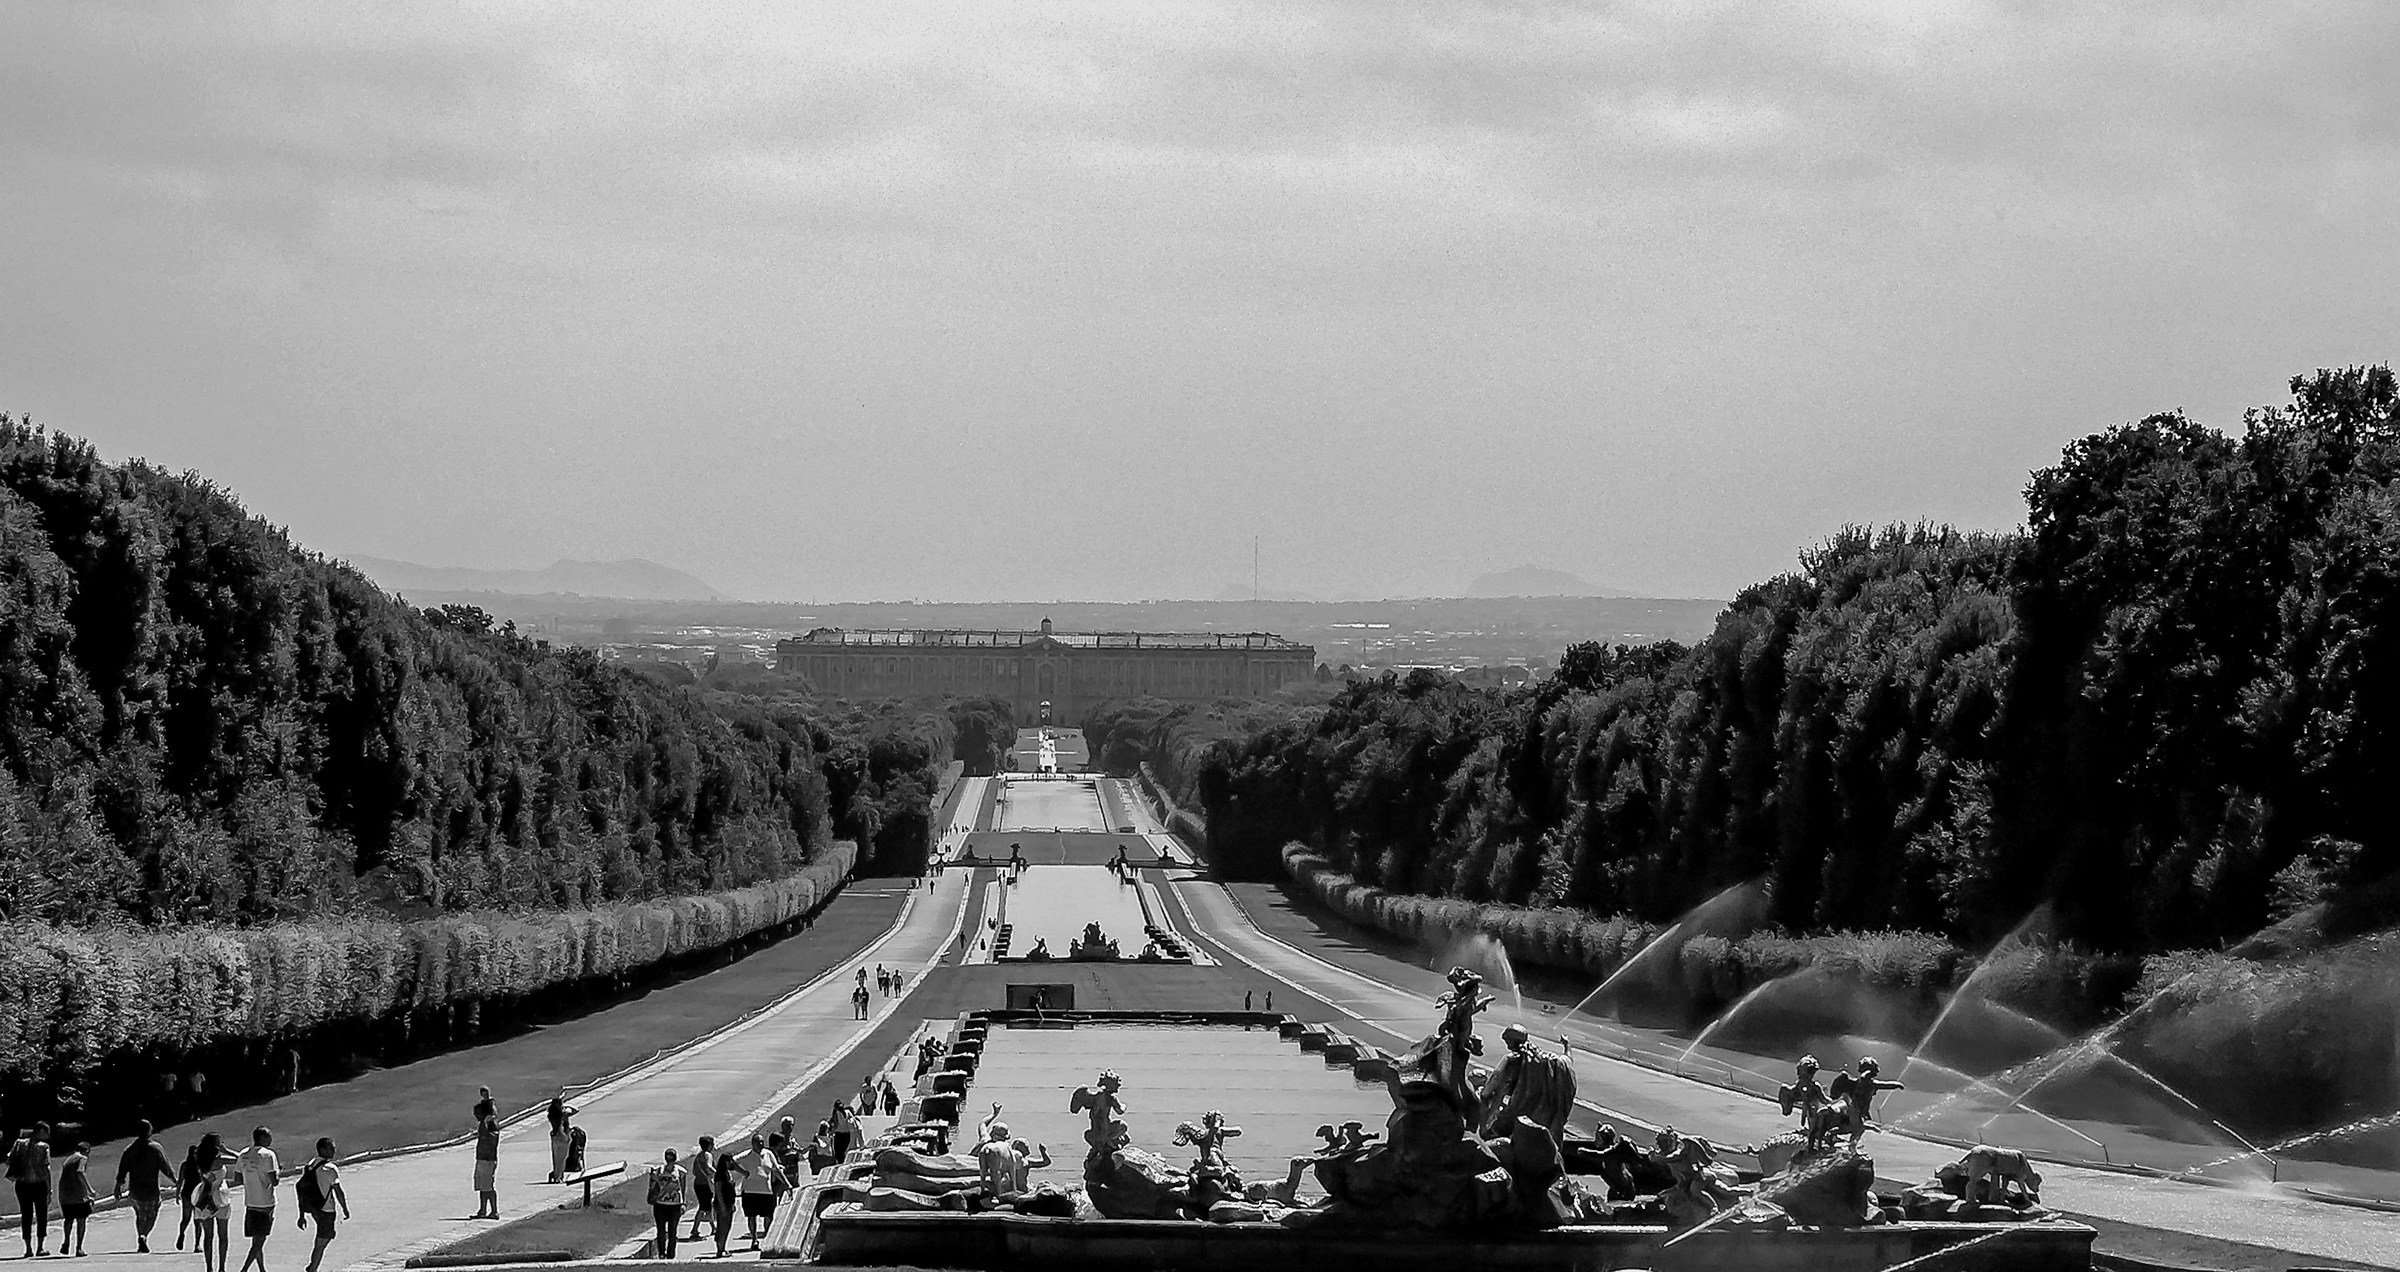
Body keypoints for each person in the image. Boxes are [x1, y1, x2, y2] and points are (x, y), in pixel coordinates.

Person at [114, 1119, 178, 1252]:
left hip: (135, 1189)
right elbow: (165, 1167)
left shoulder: (130, 1149)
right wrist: (176, 1181)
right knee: (152, 1215)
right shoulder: (155, 1148)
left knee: (139, 1214)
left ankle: (140, 1236)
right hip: (151, 1189)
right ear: (150, 1131)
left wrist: (118, 1186)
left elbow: (122, 1169)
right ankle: (144, 1235)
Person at [294, 1138, 348, 1272]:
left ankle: (313, 1266)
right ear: (323, 1150)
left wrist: (301, 1215)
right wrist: (345, 1209)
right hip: (326, 1209)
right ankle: (312, 1268)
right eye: (331, 1148)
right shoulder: (330, 1169)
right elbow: (338, 1191)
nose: (334, 1150)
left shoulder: (310, 1165)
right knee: (322, 1241)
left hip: (314, 1209)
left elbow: (303, 1190)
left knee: (323, 1238)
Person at [234, 1126, 280, 1272]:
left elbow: (237, 1178)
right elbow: (274, 1181)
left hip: (250, 1201)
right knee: (259, 1241)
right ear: (262, 1138)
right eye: (269, 1136)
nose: (271, 1139)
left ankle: (261, 1268)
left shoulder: (243, 1154)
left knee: (256, 1239)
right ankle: (244, 1269)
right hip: (265, 1202)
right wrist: (279, 1173)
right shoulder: (268, 1155)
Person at [190, 1134, 235, 1272]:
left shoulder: (199, 1159)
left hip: (204, 1195)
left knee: (208, 1236)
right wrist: (226, 1150)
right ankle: (221, 1267)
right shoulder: (219, 1160)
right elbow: (240, 1158)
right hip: (219, 1195)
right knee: (223, 1235)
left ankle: (209, 1268)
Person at [8, 1122, 53, 1257]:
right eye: (46, 1132)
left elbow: (9, 1159)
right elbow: (47, 1169)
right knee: (42, 1215)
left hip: (22, 1184)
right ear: (40, 1131)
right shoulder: (43, 1147)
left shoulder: (19, 1143)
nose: (48, 1135)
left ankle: (28, 1248)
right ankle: (40, 1247)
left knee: (26, 1215)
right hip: (39, 1184)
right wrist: (49, 1188)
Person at [735, 1134, 784, 1247]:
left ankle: (767, 1238)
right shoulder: (746, 1155)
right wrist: (743, 1172)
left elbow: (776, 1169)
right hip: (750, 1191)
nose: (761, 1144)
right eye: (758, 1142)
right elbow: (731, 1161)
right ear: (753, 1144)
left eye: (762, 1142)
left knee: (769, 1216)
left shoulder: (768, 1154)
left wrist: (787, 1184)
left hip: (766, 1191)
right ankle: (754, 1239)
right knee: (751, 1216)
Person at [644, 1149, 684, 1259]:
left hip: (675, 1205)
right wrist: (653, 1179)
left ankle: (671, 1254)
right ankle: (661, 1253)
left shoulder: (680, 1172)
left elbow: (682, 1189)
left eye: (672, 1157)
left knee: (672, 1231)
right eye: (668, 1157)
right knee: (661, 1230)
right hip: (660, 1204)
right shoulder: (658, 1171)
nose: (670, 1160)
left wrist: (683, 1203)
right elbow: (652, 1187)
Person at [56, 1141, 93, 1257]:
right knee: (81, 1221)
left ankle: (66, 1241)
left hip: (65, 1194)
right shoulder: (82, 1158)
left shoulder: (68, 1159)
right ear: (86, 1151)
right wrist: (90, 1189)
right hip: (78, 1195)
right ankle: (79, 1248)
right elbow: (80, 1173)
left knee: (68, 1220)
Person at [177, 1140, 208, 1251]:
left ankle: (181, 1234)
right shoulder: (200, 1165)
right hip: (197, 1194)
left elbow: (180, 1181)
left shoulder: (184, 1165)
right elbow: (205, 1179)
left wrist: (177, 1194)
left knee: (186, 1219)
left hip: (186, 1193)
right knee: (197, 1220)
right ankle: (197, 1245)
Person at [684, 1136, 716, 1244]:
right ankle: (694, 1230)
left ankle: (713, 1227)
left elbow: (694, 1171)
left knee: (707, 1206)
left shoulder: (698, 1156)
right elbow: (708, 1166)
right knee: (704, 1207)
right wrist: (717, 1173)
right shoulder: (708, 1155)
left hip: (698, 1183)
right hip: (705, 1184)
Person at [709, 1151, 740, 1258]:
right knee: (722, 1227)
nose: (732, 1162)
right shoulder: (720, 1174)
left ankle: (723, 1248)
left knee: (727, 1226)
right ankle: (719, 1249)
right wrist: (722, 1206)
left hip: (729, 1203)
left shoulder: (728, 1173)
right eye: (730, 1160)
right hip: (722, 1204)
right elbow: (718, 1190)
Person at [471, 1114, 501, 1219]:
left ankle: (494, 1211)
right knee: (482, 1187)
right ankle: (482, 1210)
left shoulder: (493, 1134)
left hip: (487, 1162)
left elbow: (483, 1133)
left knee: (488, 1187)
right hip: (482, 1160)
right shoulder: (488, 1133)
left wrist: (484, 1121)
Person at [545, 1089, 577, 1183]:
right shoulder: (563, 1115)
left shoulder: (551, 1116)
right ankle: (559, 1176)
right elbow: (575, 1110)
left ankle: (557, 1175)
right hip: (563, 1136)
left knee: (556, 1158)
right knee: (563, 1158)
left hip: (554, 1136)